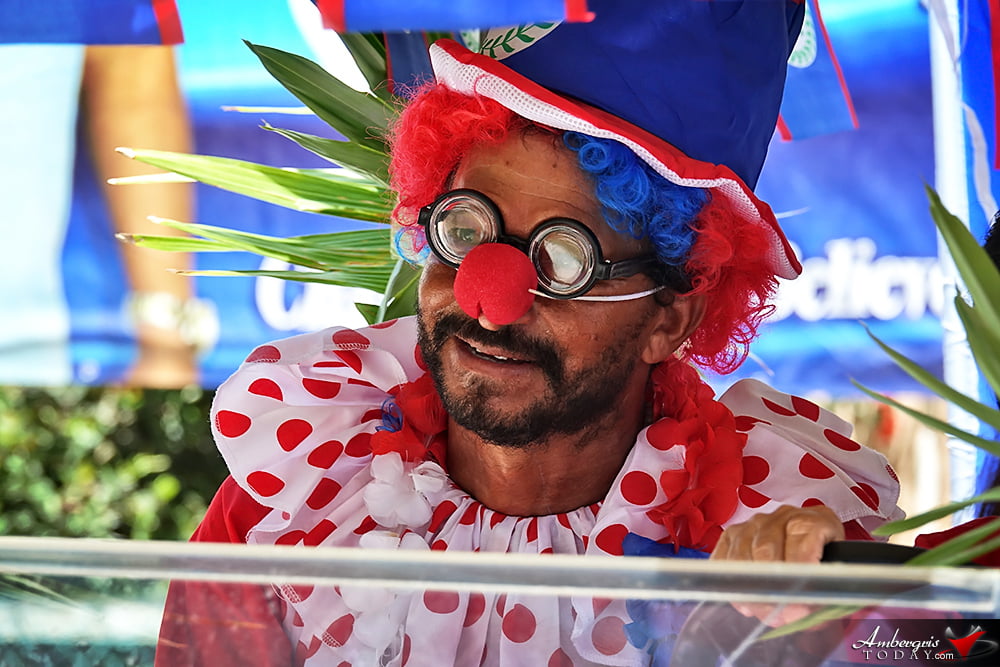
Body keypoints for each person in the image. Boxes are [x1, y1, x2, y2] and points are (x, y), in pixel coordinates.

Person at [156, 2, 904, 664]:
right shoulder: (288, 512)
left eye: (563, 255)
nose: (489, 297)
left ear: (672, 317)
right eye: (465, 227)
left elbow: (942, 642)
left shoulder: (776, 545)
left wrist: (822, 632)